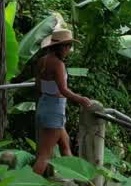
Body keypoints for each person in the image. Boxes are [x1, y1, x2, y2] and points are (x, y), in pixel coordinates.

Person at [34, 28, 92, 176]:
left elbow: (38, 86)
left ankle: (80, 180)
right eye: (68, 46)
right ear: (61, 47)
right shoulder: (58, 64)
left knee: (65, 146)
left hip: (44, 105)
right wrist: (82, 100)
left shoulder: (42, 61)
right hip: (54, 110)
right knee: (44, 156)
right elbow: (64, 90)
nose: (69, 50)